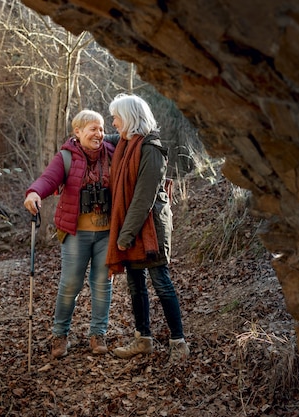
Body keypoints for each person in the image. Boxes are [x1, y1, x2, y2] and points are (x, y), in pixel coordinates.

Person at [105, 93, 190, 364]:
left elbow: (143, 199)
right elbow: (107, 140)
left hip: (150, 227)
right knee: (135, 285)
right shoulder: (125, 145)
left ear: (129, 118)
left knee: (161, 282)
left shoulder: (151, 149)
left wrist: (125, 235)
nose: (113, 122)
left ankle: (178, 342)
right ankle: (143, 339)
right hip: (132, 226)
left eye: (116, 117)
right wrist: (85, 138)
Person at [24, 109, 115, 358]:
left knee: (102, 284)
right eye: (93, 128)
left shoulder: (111, 153)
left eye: (101, 128)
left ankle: (98, 334)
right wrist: (34, 193)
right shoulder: (66, 156)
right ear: (78, 131)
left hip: (107, 232)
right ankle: (60, 335)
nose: (99, 133)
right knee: (70, 285)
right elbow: (48, 179)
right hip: (76, 233)